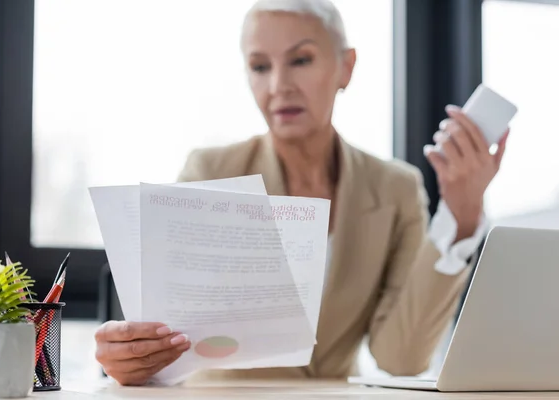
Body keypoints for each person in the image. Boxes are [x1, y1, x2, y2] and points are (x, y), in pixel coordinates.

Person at [94, 0, 508, 386]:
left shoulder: (395, 189)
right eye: (259, 66)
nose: (279, 86)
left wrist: (461, 215)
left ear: (346, 67)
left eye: (301, 60)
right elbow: (165, 336)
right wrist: (130, 354)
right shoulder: (210, 172)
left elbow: (401, 359)